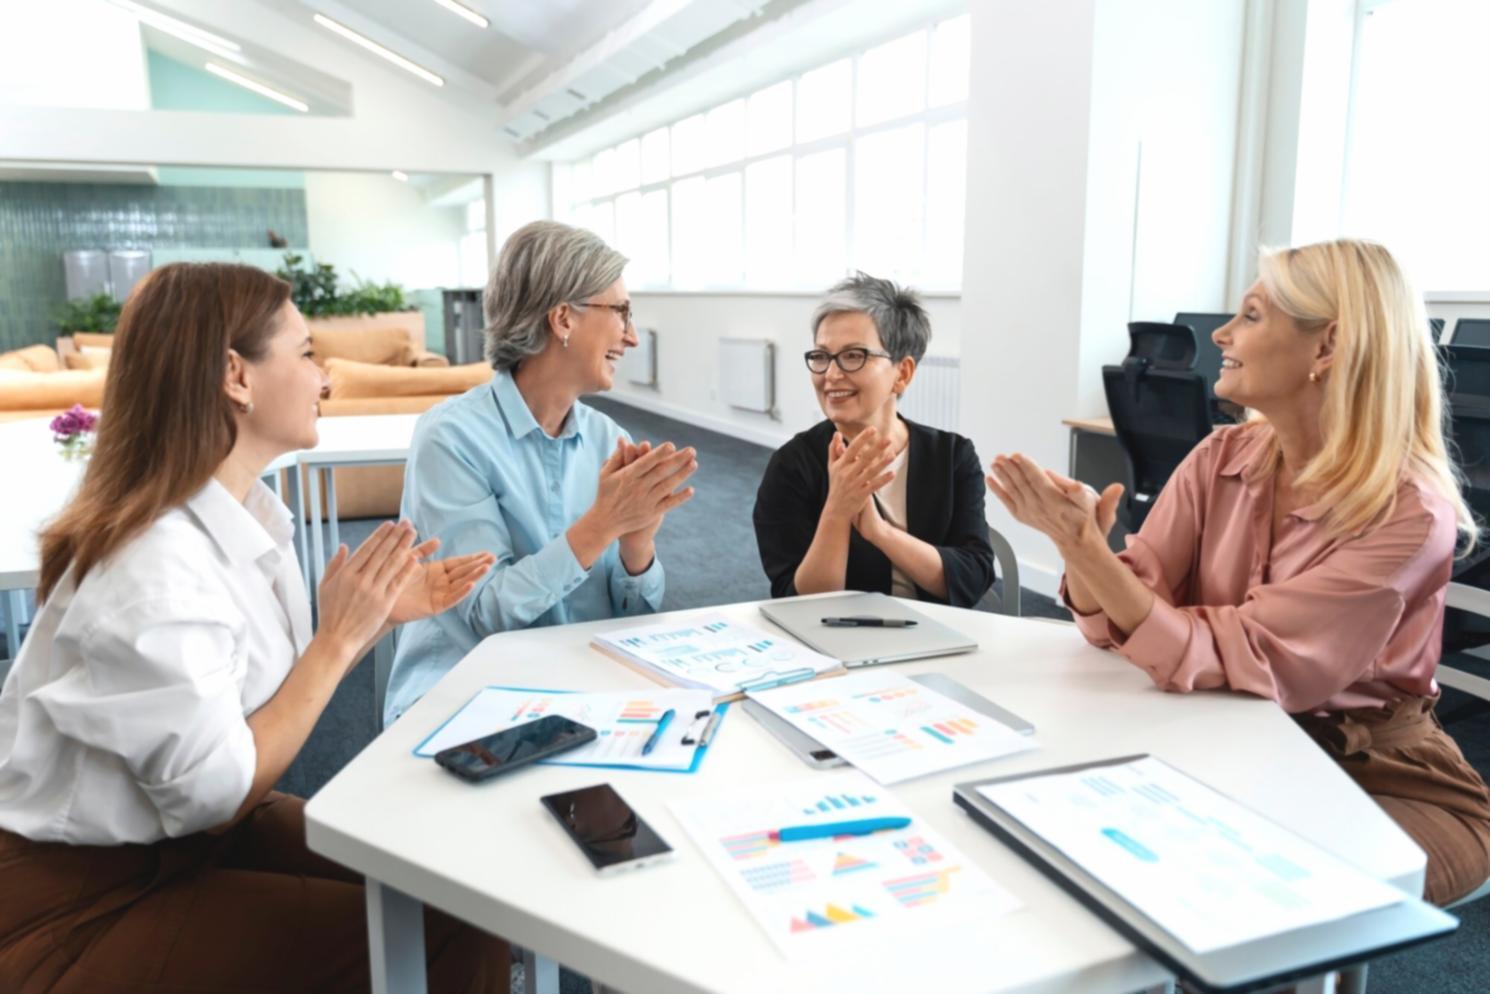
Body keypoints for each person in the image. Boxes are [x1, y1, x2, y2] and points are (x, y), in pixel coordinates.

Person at [0, 262, 509, 992]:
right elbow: (216, 797)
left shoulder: (246, 515)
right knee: (434, 934)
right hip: (82, 898)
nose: (324, 378)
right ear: (235, 377)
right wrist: (337, 639)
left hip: (181, 837)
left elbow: (252, 702)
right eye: (306, 353)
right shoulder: (153, 567)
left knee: (463, 893)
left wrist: (369, 619)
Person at [988, 239, 1490, 906]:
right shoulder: (1219, 454)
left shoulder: (1408, 512)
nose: (1220, 335)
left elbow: (1252, 659)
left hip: (1374, 774)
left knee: (1239, 893)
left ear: (1327, 346)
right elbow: (1121, 622)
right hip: (1222, 735)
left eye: (1251, 315)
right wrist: (1085, 554)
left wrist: (1096, 561)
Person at [385, 221, 697, 726]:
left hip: (581, 686)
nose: (632, 336)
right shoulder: (451, 438)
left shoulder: (608, 438)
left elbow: (635, 621)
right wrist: (600, 527)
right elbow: (486, 615)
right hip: (466, 693)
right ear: (563, 318)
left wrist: (637, 546)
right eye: (620, 312)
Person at [752, 272, 995, 606]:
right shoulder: (792, 465)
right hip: (835, 633)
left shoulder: (952, 456)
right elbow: (798, 602)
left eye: (854, 355)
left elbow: (973, 577)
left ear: (902, 373)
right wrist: (837, 512)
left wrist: (880, 532)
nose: (831, 374)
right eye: (821, 356)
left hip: (934, 630)